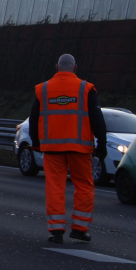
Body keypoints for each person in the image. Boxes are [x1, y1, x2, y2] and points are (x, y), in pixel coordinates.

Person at [29, 54, 107, 244]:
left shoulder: (43, 89)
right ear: (75, 68)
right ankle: (79, 229)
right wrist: (102, 143)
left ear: (57, 67)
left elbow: (33, 119)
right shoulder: (86, 89)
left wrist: (37, 143)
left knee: (55, 187)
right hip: (79, 148)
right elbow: (97, 118)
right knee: (84, 186)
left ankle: (56, 231)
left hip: (52, 148)